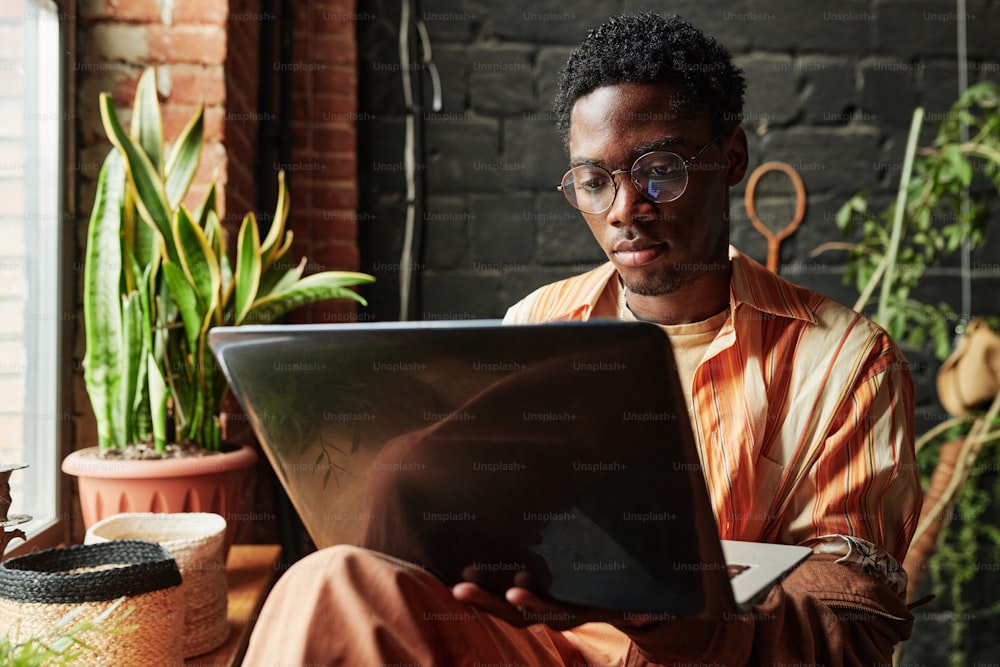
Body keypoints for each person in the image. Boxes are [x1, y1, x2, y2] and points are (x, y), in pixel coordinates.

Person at [244, 12, 921, 665]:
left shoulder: (847, 363)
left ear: (732, 156)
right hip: (524, 651)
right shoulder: (536, 325)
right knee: (326, 581)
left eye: (661, 170)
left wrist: (678, 618)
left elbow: (854, 625)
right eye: (595, 181)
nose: (625, 208)